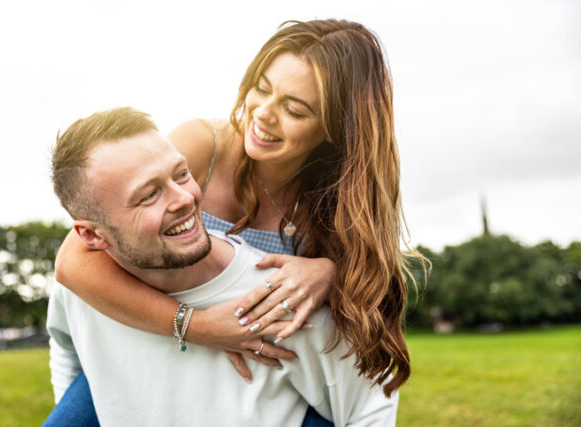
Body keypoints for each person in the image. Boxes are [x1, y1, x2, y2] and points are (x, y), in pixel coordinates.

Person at [49, 18, 426, 425]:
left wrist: (330, 272)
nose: (262, 114)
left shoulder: (342, 204)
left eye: (294, 109)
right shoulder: (202, 146)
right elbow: (74, 261)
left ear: (336, 128)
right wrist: (197, 326)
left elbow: (371, 301)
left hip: (264, 375)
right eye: (262, 88)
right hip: (158, 345)